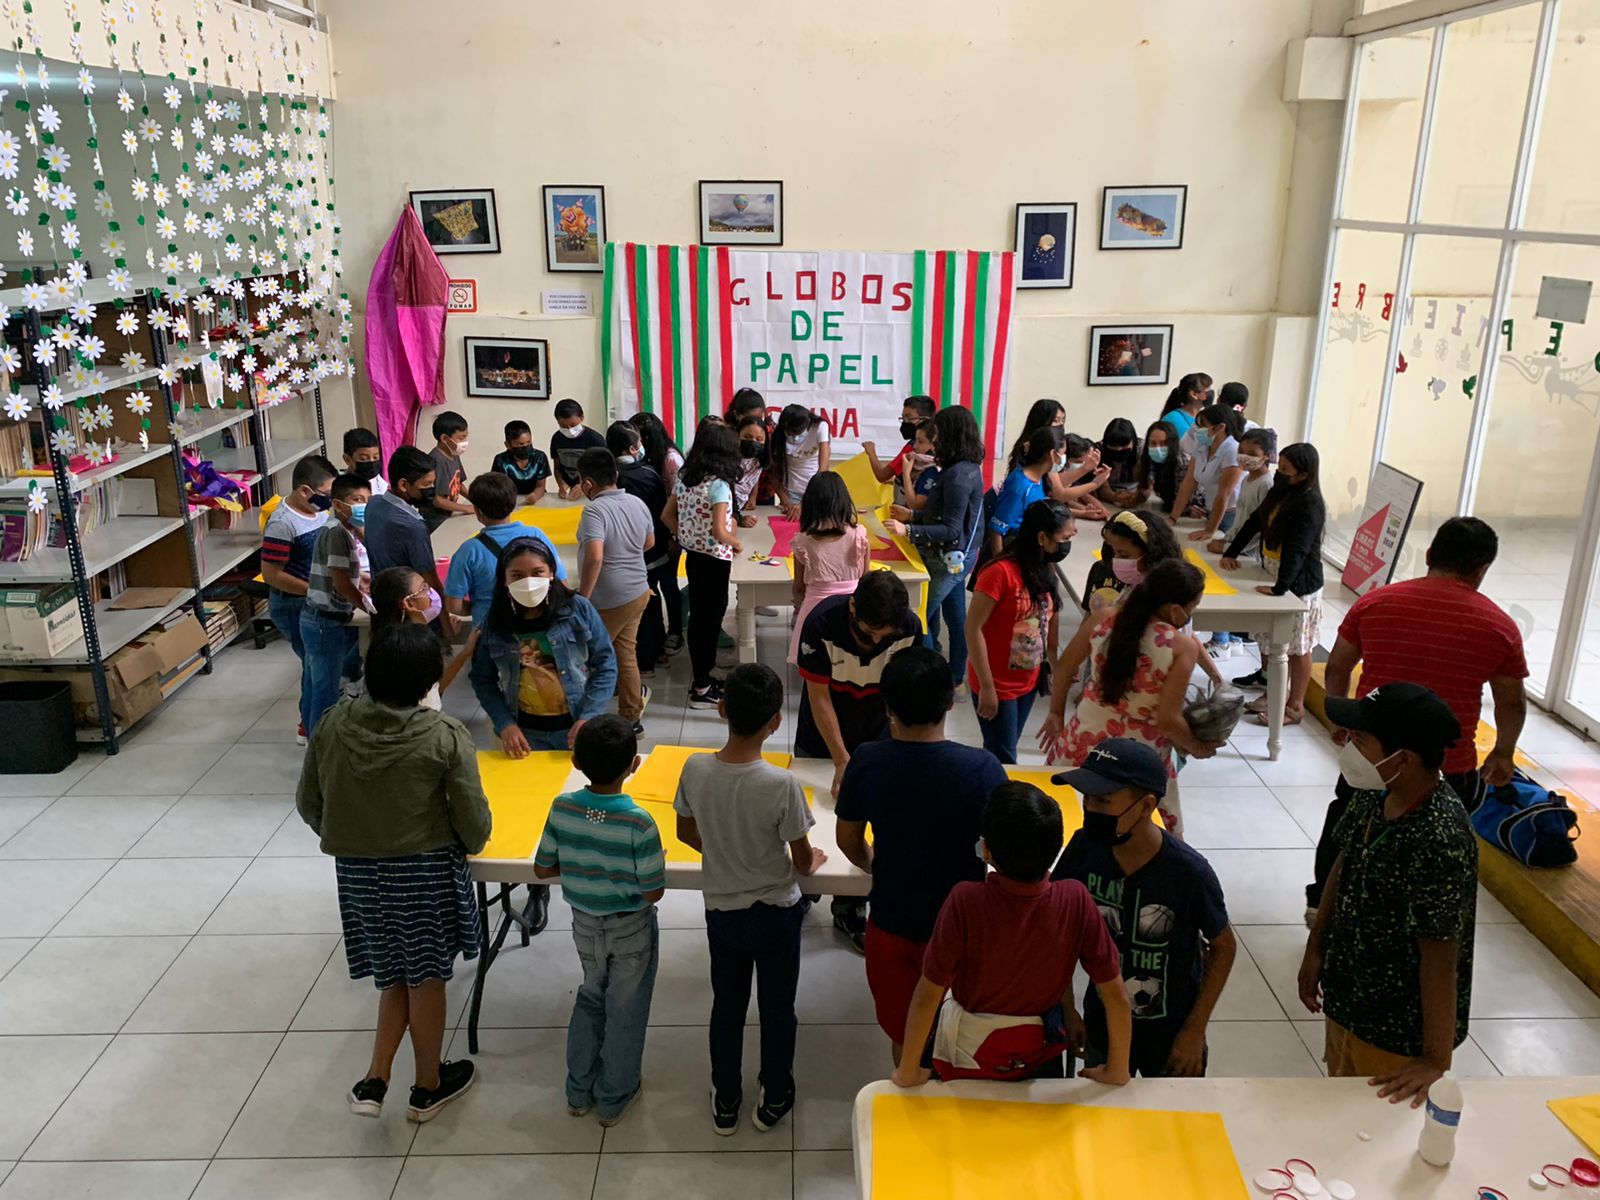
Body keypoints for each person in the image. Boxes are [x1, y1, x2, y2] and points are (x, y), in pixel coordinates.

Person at [297, 622, 490, 1124]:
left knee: (394, 976)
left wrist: (357, 837)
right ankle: (427, 1086)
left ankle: (376, 1077)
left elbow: (309, 803)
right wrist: (466, 843)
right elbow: (473, 820)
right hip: (423, 873)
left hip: (359, 875)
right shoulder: (443, 734)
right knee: (426, 978)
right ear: (429, 680)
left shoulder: (333, 723)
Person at [1311, 517, 1527, 915]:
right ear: (1482, 569)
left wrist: (1343, 720)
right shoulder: (1499, 626)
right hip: (1445, 761)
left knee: (1347, 824)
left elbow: (1338, 667)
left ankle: (1322, 904)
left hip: (1374, 749)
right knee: (1431, 846)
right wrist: (1503, 752)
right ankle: (1409, 919)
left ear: (1429, 556)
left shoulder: (1375, 603)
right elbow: (1510, 702)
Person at [1299, 683, 1477, 1105]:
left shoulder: (1439, 838)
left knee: (1370, 1126)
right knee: (1339, 1094)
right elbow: (1342, 868)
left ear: (1404, 759)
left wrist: (1435, 1059)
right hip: (1348, 997)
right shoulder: (1376, 794)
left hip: (1396, 1029)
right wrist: (1315, 948)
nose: (1350, 746)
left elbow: (1440, 956)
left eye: (1361, 741)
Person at [891, 781, 1131, 1087]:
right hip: (1039, 1050)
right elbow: (1115, 995)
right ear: (1056, 847)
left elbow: (929, 992)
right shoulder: (1076, 899)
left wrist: (909, 1069)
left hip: (968, 1051)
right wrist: (1117, 1069)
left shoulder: (965, 901)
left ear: (987, 849)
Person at [673, 662, 828, 1135]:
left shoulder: (696, 768)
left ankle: (726, 1097)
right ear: (775, 722)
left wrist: (722, 851)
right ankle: (775, 1093)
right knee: (779, 1008)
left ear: (720, 709)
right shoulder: (781, 785)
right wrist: (816, 861)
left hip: (723, 912)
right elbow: (802, 862)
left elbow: (685, 831)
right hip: (776, 914)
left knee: (728, 1006)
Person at [835, 647, 1007, 1059]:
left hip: (892, 921)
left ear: (888, 705)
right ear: (949, 701)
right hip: (960, 926)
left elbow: (847, 840)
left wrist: (875, 862)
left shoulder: (868, 761)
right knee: (960, 1031)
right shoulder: (981, 768)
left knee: (907, 1035)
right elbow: (1001, 852)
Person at [1053, 738, 1236, 1078]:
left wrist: (1194, 1031)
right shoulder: (1082, 849)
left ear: (1145, 805)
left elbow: (1224, 947)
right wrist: (1067, 1007)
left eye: (1104, 800)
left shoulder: (1188, 872)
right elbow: (1057, 930)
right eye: (1087, 798)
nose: (1090, 808)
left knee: (1171, 1123)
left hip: (1171, 1032)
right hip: (1102, 1020)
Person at [532, 715, 664, 1127]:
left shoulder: (562, 808)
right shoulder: (639, 822)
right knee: (626, 1008)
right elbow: (653, 891)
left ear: (575, 761)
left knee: (590, 998)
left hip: (584, 923)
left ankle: (577, 1090)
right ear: (634, 765)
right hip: (630, 927)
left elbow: (541, 868)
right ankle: (614, 1095)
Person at [1039, 560, 1222, 838]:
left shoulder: (1102, 619)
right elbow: (1168, 721)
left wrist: (1055, 714)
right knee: (1141, 835)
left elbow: (1064, 667)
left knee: (1059, 821)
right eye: (1192, 608)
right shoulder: (1181, 647)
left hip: (1084, 740)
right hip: (1141, 759)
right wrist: (1198, 747)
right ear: (1175, 609)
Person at [469, 537, 617, 755]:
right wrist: (505, 723)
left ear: (551, 573)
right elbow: (483, 679)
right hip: (526, 734)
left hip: (577, 728)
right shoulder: (494, 623)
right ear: (504, 579)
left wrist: (589, 716)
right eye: (517, 576)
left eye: (537, 572)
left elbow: (606, 664)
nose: (528, 583)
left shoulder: (578, 610)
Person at [1221, 442, 1326, 724]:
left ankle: (1294, 706)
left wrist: (1281, 588)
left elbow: (1299, 549)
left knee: (1296, 646)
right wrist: (1230, 551)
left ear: (1304, 474)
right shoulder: (1280, 490)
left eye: (1287, 469)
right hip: (1273, 573)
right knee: (1269, 641)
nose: (1280, 472)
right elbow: (1256, 521)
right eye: (1280, 465)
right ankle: (1273, 692)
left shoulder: (1310, 503)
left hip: (1297, 583)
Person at [795, 569, 922, 798]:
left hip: (878, 734)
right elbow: (819, 696)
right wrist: (841, 760)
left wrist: (897, 749)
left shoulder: (910, 629)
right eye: (870, 631)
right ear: (853, 606)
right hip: (821, 741)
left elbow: (904, 695)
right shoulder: (820, 624)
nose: (876, 641)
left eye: (886, 635)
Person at [885, 405, 985, 688]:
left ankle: (932, 681)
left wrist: (910, 529)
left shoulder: (956, 476)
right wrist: (914, 515)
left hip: (949, 557)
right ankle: (954, 676)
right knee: (955, 617)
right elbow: (947, 514)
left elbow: (951, 529)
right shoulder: (963, 469)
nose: (934, 441)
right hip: (960, 555)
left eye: (938, 434)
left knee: (918, 617)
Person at [965, 499, 1071, 763]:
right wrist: (987, 687)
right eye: (1064, 537)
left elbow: (1050, 616)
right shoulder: (999, 573)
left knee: (1005, 746)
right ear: (1041, 538)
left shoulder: (1045, 567)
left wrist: (1055, 662)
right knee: (1004, 758)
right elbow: (972, 628)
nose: (1066, 544)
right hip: (997, 684)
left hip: (1028, 681)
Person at [663, 422, 743, 709]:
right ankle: (702, 687)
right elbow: (721, 532)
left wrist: (683, 537)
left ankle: (703, 676)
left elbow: (666, 516)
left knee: (699, 617)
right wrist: (737, 543)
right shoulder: (719, 485)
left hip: (694, 558)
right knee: (710, 619)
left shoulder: (685, 477)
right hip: (716, 561)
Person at [576, 447, 655, 734]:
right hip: (639, 590)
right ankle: (631, 718)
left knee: (586, 658)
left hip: (609, 597)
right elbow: (649, 543)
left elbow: (595, 556)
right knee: (625, 652)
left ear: (587, 484)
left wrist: (583, 597)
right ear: (616, 475)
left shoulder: (594, 510)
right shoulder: (637, 502)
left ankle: (581, 718)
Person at [262, 455, 335, 742]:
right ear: (305, 491)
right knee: (313, 665)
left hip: (316, 597)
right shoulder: (282, 523)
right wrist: (313, 589)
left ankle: (315, 718)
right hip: (293, 604)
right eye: (327, 495)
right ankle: (309, 726)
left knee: (319, 664)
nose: (329, 501)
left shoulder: (316, 512)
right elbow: (271, 575)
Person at [1170, 404, 1246, 660]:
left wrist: (1210, 530)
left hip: (1230, 516)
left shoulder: (1233, 449)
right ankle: (1230, 636)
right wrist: (1173, 517)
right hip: (1213, 512)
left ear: (1220, 428)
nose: (1197, 430)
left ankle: (1224, 639)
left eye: (1202, 425)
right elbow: (1188, 482)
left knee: (1219, 573)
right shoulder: (1202, 446)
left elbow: (1225, 494)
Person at [443, 473, 566, 628]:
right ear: (513, 504)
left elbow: (453, 605)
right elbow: (562, 584)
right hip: (536, 626)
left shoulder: (468, 551)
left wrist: (479, 608)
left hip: (490, 630)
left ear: (478, 511)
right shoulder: (537, 536)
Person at [299, 472, 370, 735]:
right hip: (324, 622)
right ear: (338, 504)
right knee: (326, 692)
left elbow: (336, 571)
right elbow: (341, 584)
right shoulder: (338, 533)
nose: (363, 505)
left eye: (367, 499)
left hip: (317, 618)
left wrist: (360, 577)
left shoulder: (338, 529)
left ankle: (311, 737)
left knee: (315, 686)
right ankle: (320, 748)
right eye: (357, 499)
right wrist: (368, 606)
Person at [609, 421, 671, 675]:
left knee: (638, 605)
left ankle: (645, 659)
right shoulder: (649, 474)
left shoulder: (611, 478)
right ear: (635, 448)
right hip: (653, 548)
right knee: (651, 599)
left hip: (624, 554)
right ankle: (659, 651)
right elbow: (662, 510)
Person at [788, 470, 869, 663]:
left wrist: (799, 612)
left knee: (815, 662)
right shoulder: (859, 534)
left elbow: (799, 588)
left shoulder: (803, 541)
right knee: (846, 662)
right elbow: (866, 579)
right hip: (851, 609)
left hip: (815, 609)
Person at [369, 567, 478, 710]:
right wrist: (465, 652)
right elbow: (437, 688)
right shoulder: (417, 645)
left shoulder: (384, 640)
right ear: (408, 603)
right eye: (424, 588)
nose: (431, 592)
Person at [630, 410, 686, 656]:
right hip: (651, 530)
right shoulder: (646, 460)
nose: (637, 446)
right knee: (651, 584)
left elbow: (679, 505)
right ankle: (657, 634)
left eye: (640, 439)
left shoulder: (671, 460)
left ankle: (675, 631)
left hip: (668, 531)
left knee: (669, 584)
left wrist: (676, 538)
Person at [364, 446, 446, 594]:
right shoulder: (414, 526)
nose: (432, 489)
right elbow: (431, 582)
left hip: (380, 598)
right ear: (403, 485)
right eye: (426, 484)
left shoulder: (373, 504)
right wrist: (444, 616)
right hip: (409, 604)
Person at [1081, 508, 1184, 617]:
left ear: (1151, 553)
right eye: (1110, 547)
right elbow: (1089, 617)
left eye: (1124, 555)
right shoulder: (1102, 569)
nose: (1116, 560)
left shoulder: (1164, 594)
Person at [986, 426, 1061, 557]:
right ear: (1051, 454)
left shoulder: (1040, 478)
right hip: (1010, 548)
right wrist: (1000, 565)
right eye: (1063, 453)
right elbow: (996, 530)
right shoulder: (1020, 486)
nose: (1064, 459)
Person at [1207, 427, 1276, 557]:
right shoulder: (1246, 479)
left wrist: (1228, 548)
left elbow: (1260, 528)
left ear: (1266, 456)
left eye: (1252, 454)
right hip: (1236, 546)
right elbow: (1240, 518)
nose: (1244, 457)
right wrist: (1227, 539)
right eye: (1241, 451)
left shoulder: (1266, 485)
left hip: (1248, 553)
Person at [862, 394, 937, 487]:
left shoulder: (912, 448)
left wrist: (871, 452)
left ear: (925, 420)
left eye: (909, 418)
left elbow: (882, 476)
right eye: (903, 418)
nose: (905, 422)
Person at [770, 403, 831, 514]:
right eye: (790, 434)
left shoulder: (820, 426)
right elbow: (773, 472)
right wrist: (786, 501)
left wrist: (804, 503)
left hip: (815, 491)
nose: (795, 438)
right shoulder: (779, 433)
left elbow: (823, 469)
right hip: (791, 493)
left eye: (798, 433)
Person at [423, 411, 474, 532]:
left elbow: (458, 483)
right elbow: (438, 500)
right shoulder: (437, 460)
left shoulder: (454, 453)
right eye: (461, 438)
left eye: (466, 436)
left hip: (449, 514)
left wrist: (475, 500)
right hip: (437, 520)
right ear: (445, 438)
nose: (465, 441)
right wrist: (466, 508)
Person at [551, 398, 607, 498]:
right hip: (570, 494)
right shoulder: (557, 439)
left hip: (594, 493)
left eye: (573, 425)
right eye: (563, 426)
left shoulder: (595, 439)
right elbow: (557, 468)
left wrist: (584, 486)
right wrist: (561, 484)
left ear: (582, 417)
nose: (569, 430)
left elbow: (604, 471)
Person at [490, 419, 551, 505]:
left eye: (528, 442)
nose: (525, 446)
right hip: (509, 501)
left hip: (536, 501)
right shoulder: (501, 460)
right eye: (520, 444)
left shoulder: (539, 457)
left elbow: (540, 486)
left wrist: (535, 496)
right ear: (508, 445)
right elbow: (498, 488)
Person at [1135, 420, 1182, 513]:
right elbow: (1146, 488)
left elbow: (1182, 499)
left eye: (1163, 443)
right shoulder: (1148, 458)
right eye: (1153, 443)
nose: (1157, 448)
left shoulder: (1182, 463)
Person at [1094, 417, 1142, 508]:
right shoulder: (1098, 451)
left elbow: (1147, 487)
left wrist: (1137, 497)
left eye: (1124, 448)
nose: (1118, 450)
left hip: (1136, 494)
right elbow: (1102, 488)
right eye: (1114, 449)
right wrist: (1114, 497)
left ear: (1133, 442)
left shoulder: (1142, 450)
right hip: (1108, 497)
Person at [1157, 372, 1214, 446]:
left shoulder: (1203, 417)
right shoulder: (1173, 419)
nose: (1211, 393)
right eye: (1207, 391)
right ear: (1194, 394)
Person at [732, 414, 770, 525]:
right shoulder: (728, 459)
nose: (753, 442)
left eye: (759, 439)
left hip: (742, 508)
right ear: (737, 435)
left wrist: (753, 497)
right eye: (747, 437)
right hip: (727, 513)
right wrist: (738, 519)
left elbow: (755, 477)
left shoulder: (759, 460)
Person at [898, 419, 939, 512]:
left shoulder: (931, 470)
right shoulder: (920, 468)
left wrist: (906, 474)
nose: (915, 446)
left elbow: (916, 506)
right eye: (915, 441)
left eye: (920, 442)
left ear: (933, 445)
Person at [342, 427, 388, 495]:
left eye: (375, 457)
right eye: (363, 459)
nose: (371, 462)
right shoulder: (341, 487)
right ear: (347, 459)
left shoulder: (383, 485)